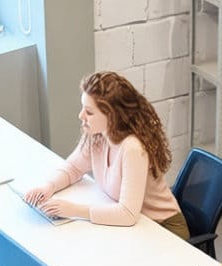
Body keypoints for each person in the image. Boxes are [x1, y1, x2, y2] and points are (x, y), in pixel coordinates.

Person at [22, 71, 189, 240]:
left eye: (89, 112)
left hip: (163, 229)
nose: (81, 116)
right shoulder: (97, 135)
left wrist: (74, 210)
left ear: (111, 116)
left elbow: (128, 214)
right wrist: (48, 187)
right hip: (137, 227)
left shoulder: (132, 148)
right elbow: (73, 167)